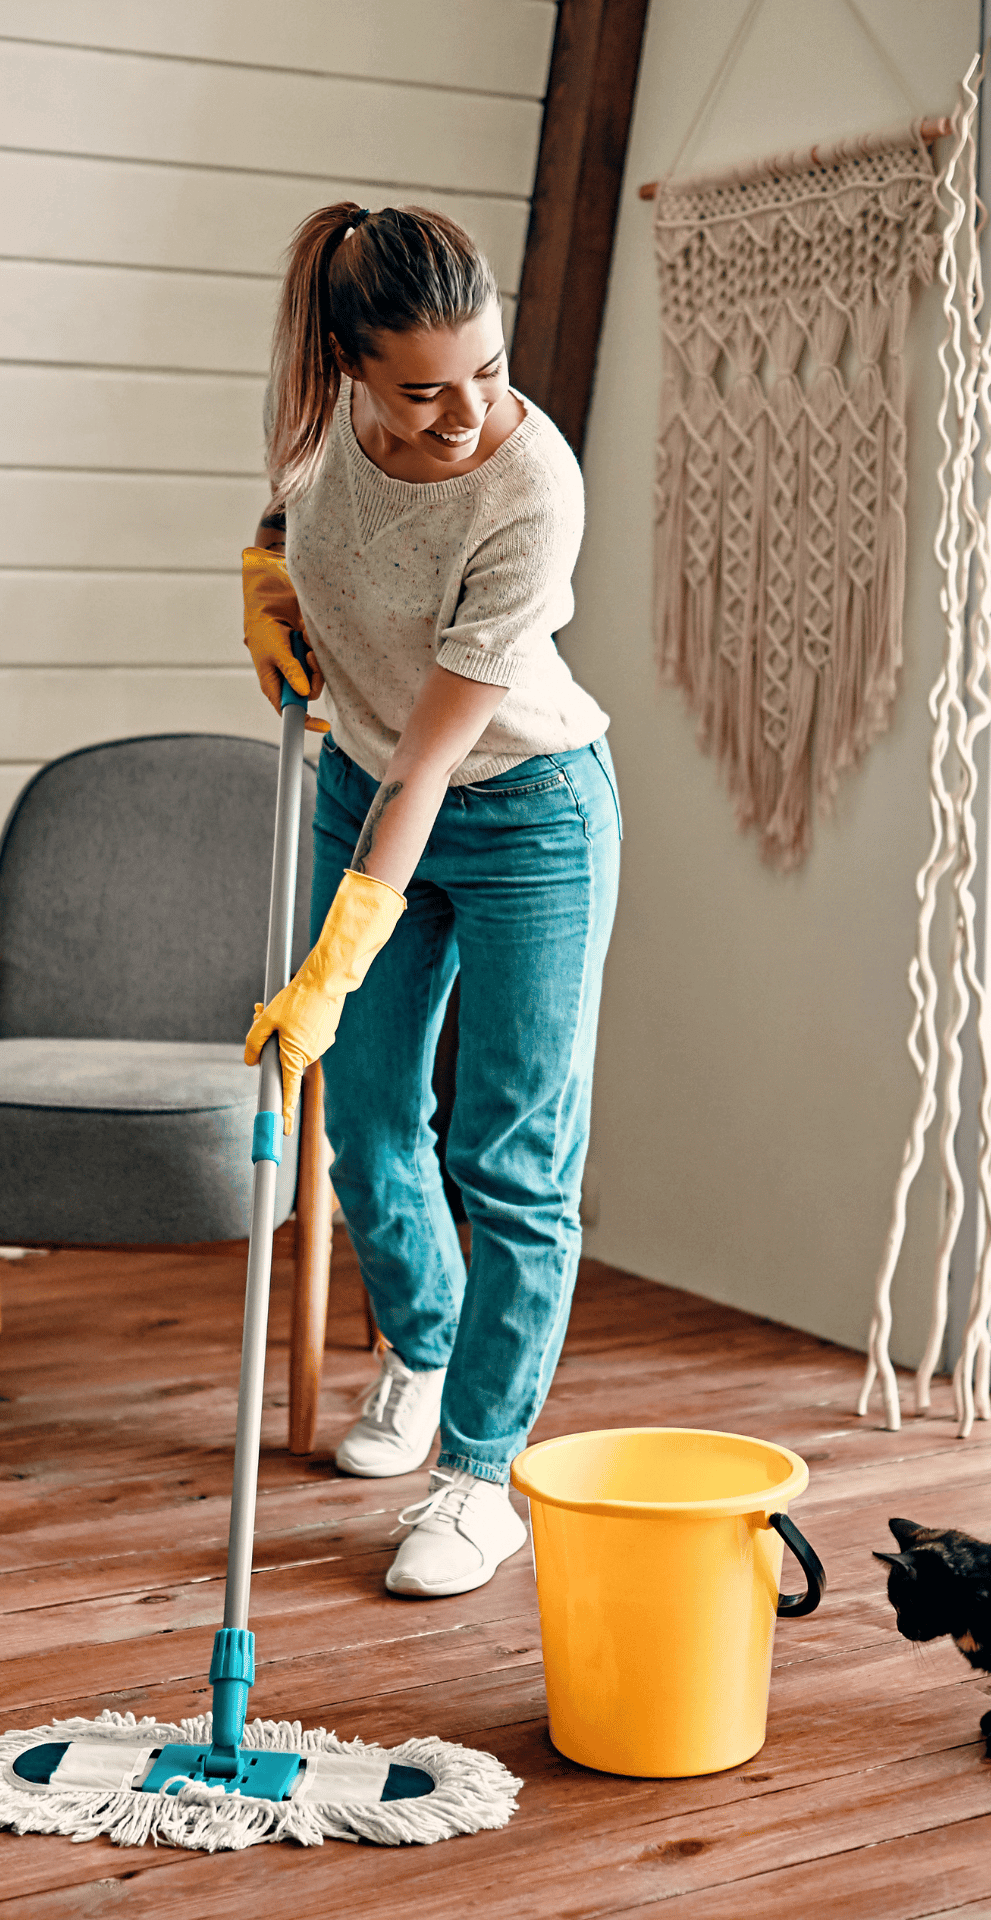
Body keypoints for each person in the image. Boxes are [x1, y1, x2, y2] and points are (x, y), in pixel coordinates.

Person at [242, 204, 619, 1599]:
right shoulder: (313, 421)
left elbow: (434, 762)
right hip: (361, 784)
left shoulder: (532, 489)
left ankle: (479, 1474)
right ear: (351, 367)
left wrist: (331, 960)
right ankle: (425, 1345)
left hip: (525, 812)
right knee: (374, 1125)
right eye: (425, 388)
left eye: (492, 368)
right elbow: (295, 520)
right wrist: (263, 580)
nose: (469, 410)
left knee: (510, 1158)